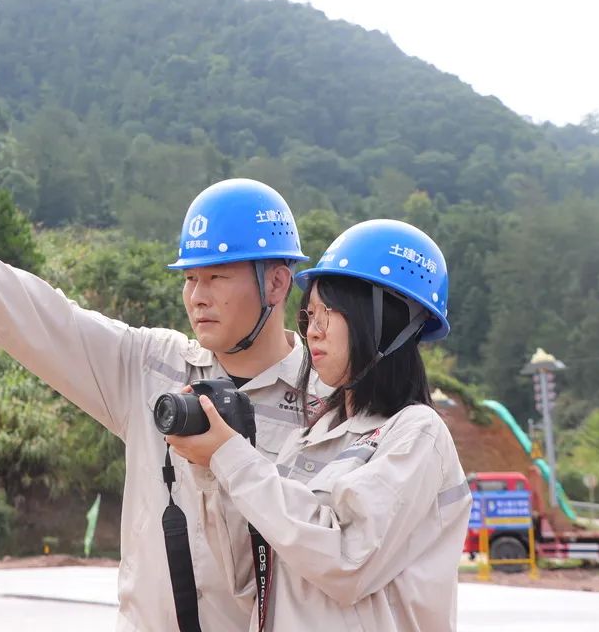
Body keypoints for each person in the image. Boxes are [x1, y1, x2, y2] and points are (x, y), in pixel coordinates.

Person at [0, 178, 325, 631]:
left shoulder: (328, 405)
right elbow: (47, 319)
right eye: (190, 278)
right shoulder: (151, 367)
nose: (197, 297)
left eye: (216, 276)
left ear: (277, 283)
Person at [168, 219, 472, 631]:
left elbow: (348, 561)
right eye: (309, 315)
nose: (313, 331)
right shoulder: (309, 437)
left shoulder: (417, 434)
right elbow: (249, 583)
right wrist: (211, 469)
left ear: (388, 323)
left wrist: (232, 458)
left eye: (330, 313)